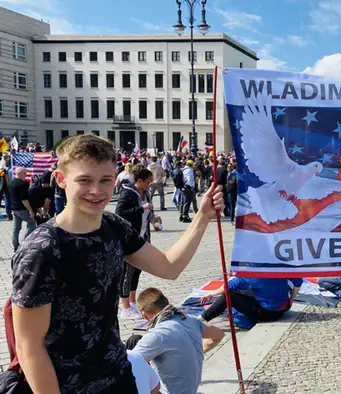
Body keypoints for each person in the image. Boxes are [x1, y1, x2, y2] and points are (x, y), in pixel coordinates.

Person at [11, 134, 223, 393]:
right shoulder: (42, 249)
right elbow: (29, 346)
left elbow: (169, 267)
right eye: (85, 180)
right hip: (68, 386)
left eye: (105, 180)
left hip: (118, 374)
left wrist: (202, 216)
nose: (97, 191)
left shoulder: (113, 225)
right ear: (61, 179)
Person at [128, 288, 225, 394]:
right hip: (190, 389)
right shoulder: (190, 319)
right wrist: (191, 352)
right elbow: (218, 335)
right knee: (135, 341)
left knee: (129, 358)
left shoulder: (158, 335)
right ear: (167, 300)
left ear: (143, 314)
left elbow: (129, 363)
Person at [116, 165, 162, 319]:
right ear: (139, 180)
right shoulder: (127, 193)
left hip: (142, 238)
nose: (150, 184)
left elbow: (148, 212)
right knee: (127, 273)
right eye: (148, 181)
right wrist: (141, 209)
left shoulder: (146, 193)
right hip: (129, 239)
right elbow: (120, 213)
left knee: (137, 270)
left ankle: (132, 302)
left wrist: (154, 218)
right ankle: (125, 308)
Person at [199, 276, 302, 327]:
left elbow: (228, 286)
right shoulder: (280, 267)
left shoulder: (252, 276)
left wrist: (211, 294)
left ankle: (201, 318)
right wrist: (291, 299)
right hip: (283, 309)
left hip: (266, 313)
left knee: (229, 296)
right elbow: (298, 282)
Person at [8, 167, 37, 251]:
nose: (26, 175)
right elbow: (24, 199)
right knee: (32, 225)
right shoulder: (23, 184)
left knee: (16, 228)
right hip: (22, 209)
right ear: (20, 174)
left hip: (14, 209)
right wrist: (30, 210)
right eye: (25, 173)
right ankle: (23, 244)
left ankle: (15, 245)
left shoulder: (11, 183)